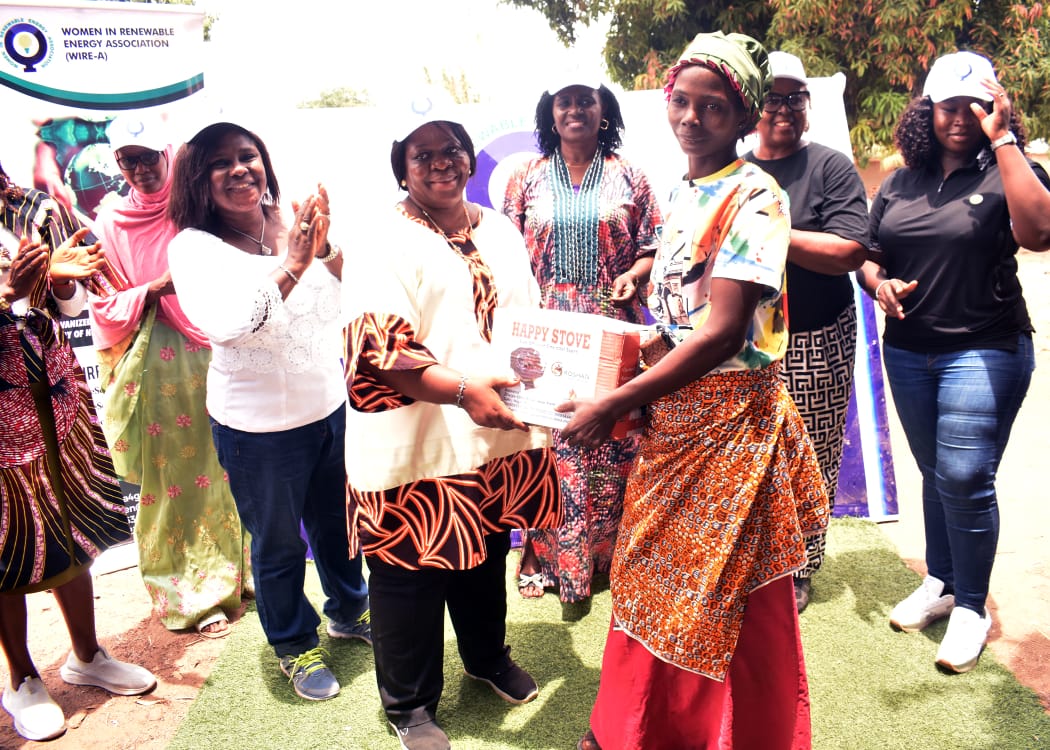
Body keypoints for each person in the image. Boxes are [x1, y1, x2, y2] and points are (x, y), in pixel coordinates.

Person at [558, 32, 829, 749]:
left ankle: (735, 736)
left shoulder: (756, 194)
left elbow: (725, 329)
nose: (691, 117)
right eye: (681, 100)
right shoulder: (683, 191)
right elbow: (685, 321)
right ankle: (632, 728)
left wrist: (615, 401)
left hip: (732, 426)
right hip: (677, 422)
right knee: (653, 574)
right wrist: (641, 346)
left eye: (714, 107)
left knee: (722, 586)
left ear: (742, 118)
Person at [343, 108, 562, 750]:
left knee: (486, 549)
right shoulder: (383, 236)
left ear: (470, 159)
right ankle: (409, 704)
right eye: (423, 155)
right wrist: (464, 392)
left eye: (453, 150)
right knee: (407, 572)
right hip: (421, 437)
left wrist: (551, 389)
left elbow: (526, 320)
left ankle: (487, 656)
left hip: (496, 431)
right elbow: (381, 347)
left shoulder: (499, 229)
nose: (441, 162)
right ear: (401, 169)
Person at [857, 50, 1050, 673]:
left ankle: (972, 606)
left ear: (993, 107)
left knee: (965, 474)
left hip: (986, 344)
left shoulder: (1004, 166)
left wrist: (1006, 141)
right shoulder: (901, 180)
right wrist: (876, 283)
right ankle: (941, 583)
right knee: (936, 471)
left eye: (975, 105)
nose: (959, 118)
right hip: (911, 349)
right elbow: (868, 253)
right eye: (948, 106)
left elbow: (1040, 232)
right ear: (928, 110)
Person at [166, 121, 370, 701]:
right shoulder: (193, 247)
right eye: (221, 162)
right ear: (197, 182)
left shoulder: (291, 224)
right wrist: (293, 263)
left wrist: (325, 249)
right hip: (257, 429)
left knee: (338, 527)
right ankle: (292, 644)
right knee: (279, 544)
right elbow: (228, 327)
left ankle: (350, 611)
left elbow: (347, 297)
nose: (239, 170)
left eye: (248, 156)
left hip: (328, 407)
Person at [0, 163, 156, 741]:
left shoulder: (34, 210)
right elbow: (13, 299)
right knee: (9, 535)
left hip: (52, 389)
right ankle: (21, 679)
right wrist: (11, 291)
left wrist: (61, 286)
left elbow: (66, 312)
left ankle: (87, 656)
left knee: (69, 523)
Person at [90, 112, 251, 638]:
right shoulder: (111, 221)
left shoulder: (193, 204)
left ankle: (238, 577)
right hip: (158, 360)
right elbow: (103, 302)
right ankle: (189, 593)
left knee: (227, 468)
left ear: (167, 155)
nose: (140, 170)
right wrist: (155, 289)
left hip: (218, 348)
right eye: (128, 161)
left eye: (147, 158)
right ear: (118, 166)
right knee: (175, 482)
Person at [502, 77, 662, 605]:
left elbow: (652, 245)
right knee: (553, 444)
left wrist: (635, 274)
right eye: (563, 101)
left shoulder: (629, 175)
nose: (574, 109)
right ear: (550, 113)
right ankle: (549, 557)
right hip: (547, 325)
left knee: (614, 438)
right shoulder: (527, 178)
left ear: (602, 110)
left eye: (584, 101)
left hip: (611, 321)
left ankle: (612, 557)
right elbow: (505, 252)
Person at [743, 51, 869, 612]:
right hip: (740, 342)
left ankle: (800, 566)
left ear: (809, 108)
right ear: (752, 106)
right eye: (772, 98)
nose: (784, 109)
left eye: (796, 98)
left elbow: (847, 251)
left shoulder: (830, 167)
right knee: (748, 455)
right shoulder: (732, 168)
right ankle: (751, 558)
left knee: (810, 452)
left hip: (815, 334)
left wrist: (769, 229)